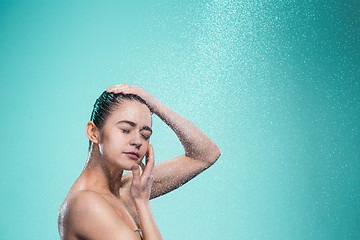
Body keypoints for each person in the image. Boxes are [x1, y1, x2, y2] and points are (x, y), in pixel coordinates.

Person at [58, 84, 221, 240]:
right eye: (125, 130)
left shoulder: (129, 189)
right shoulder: (85, 203)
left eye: (145, 134)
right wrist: (142, 204)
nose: (137, 141)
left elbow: (205, 155)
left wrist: (156, 106)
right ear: (93, 132)